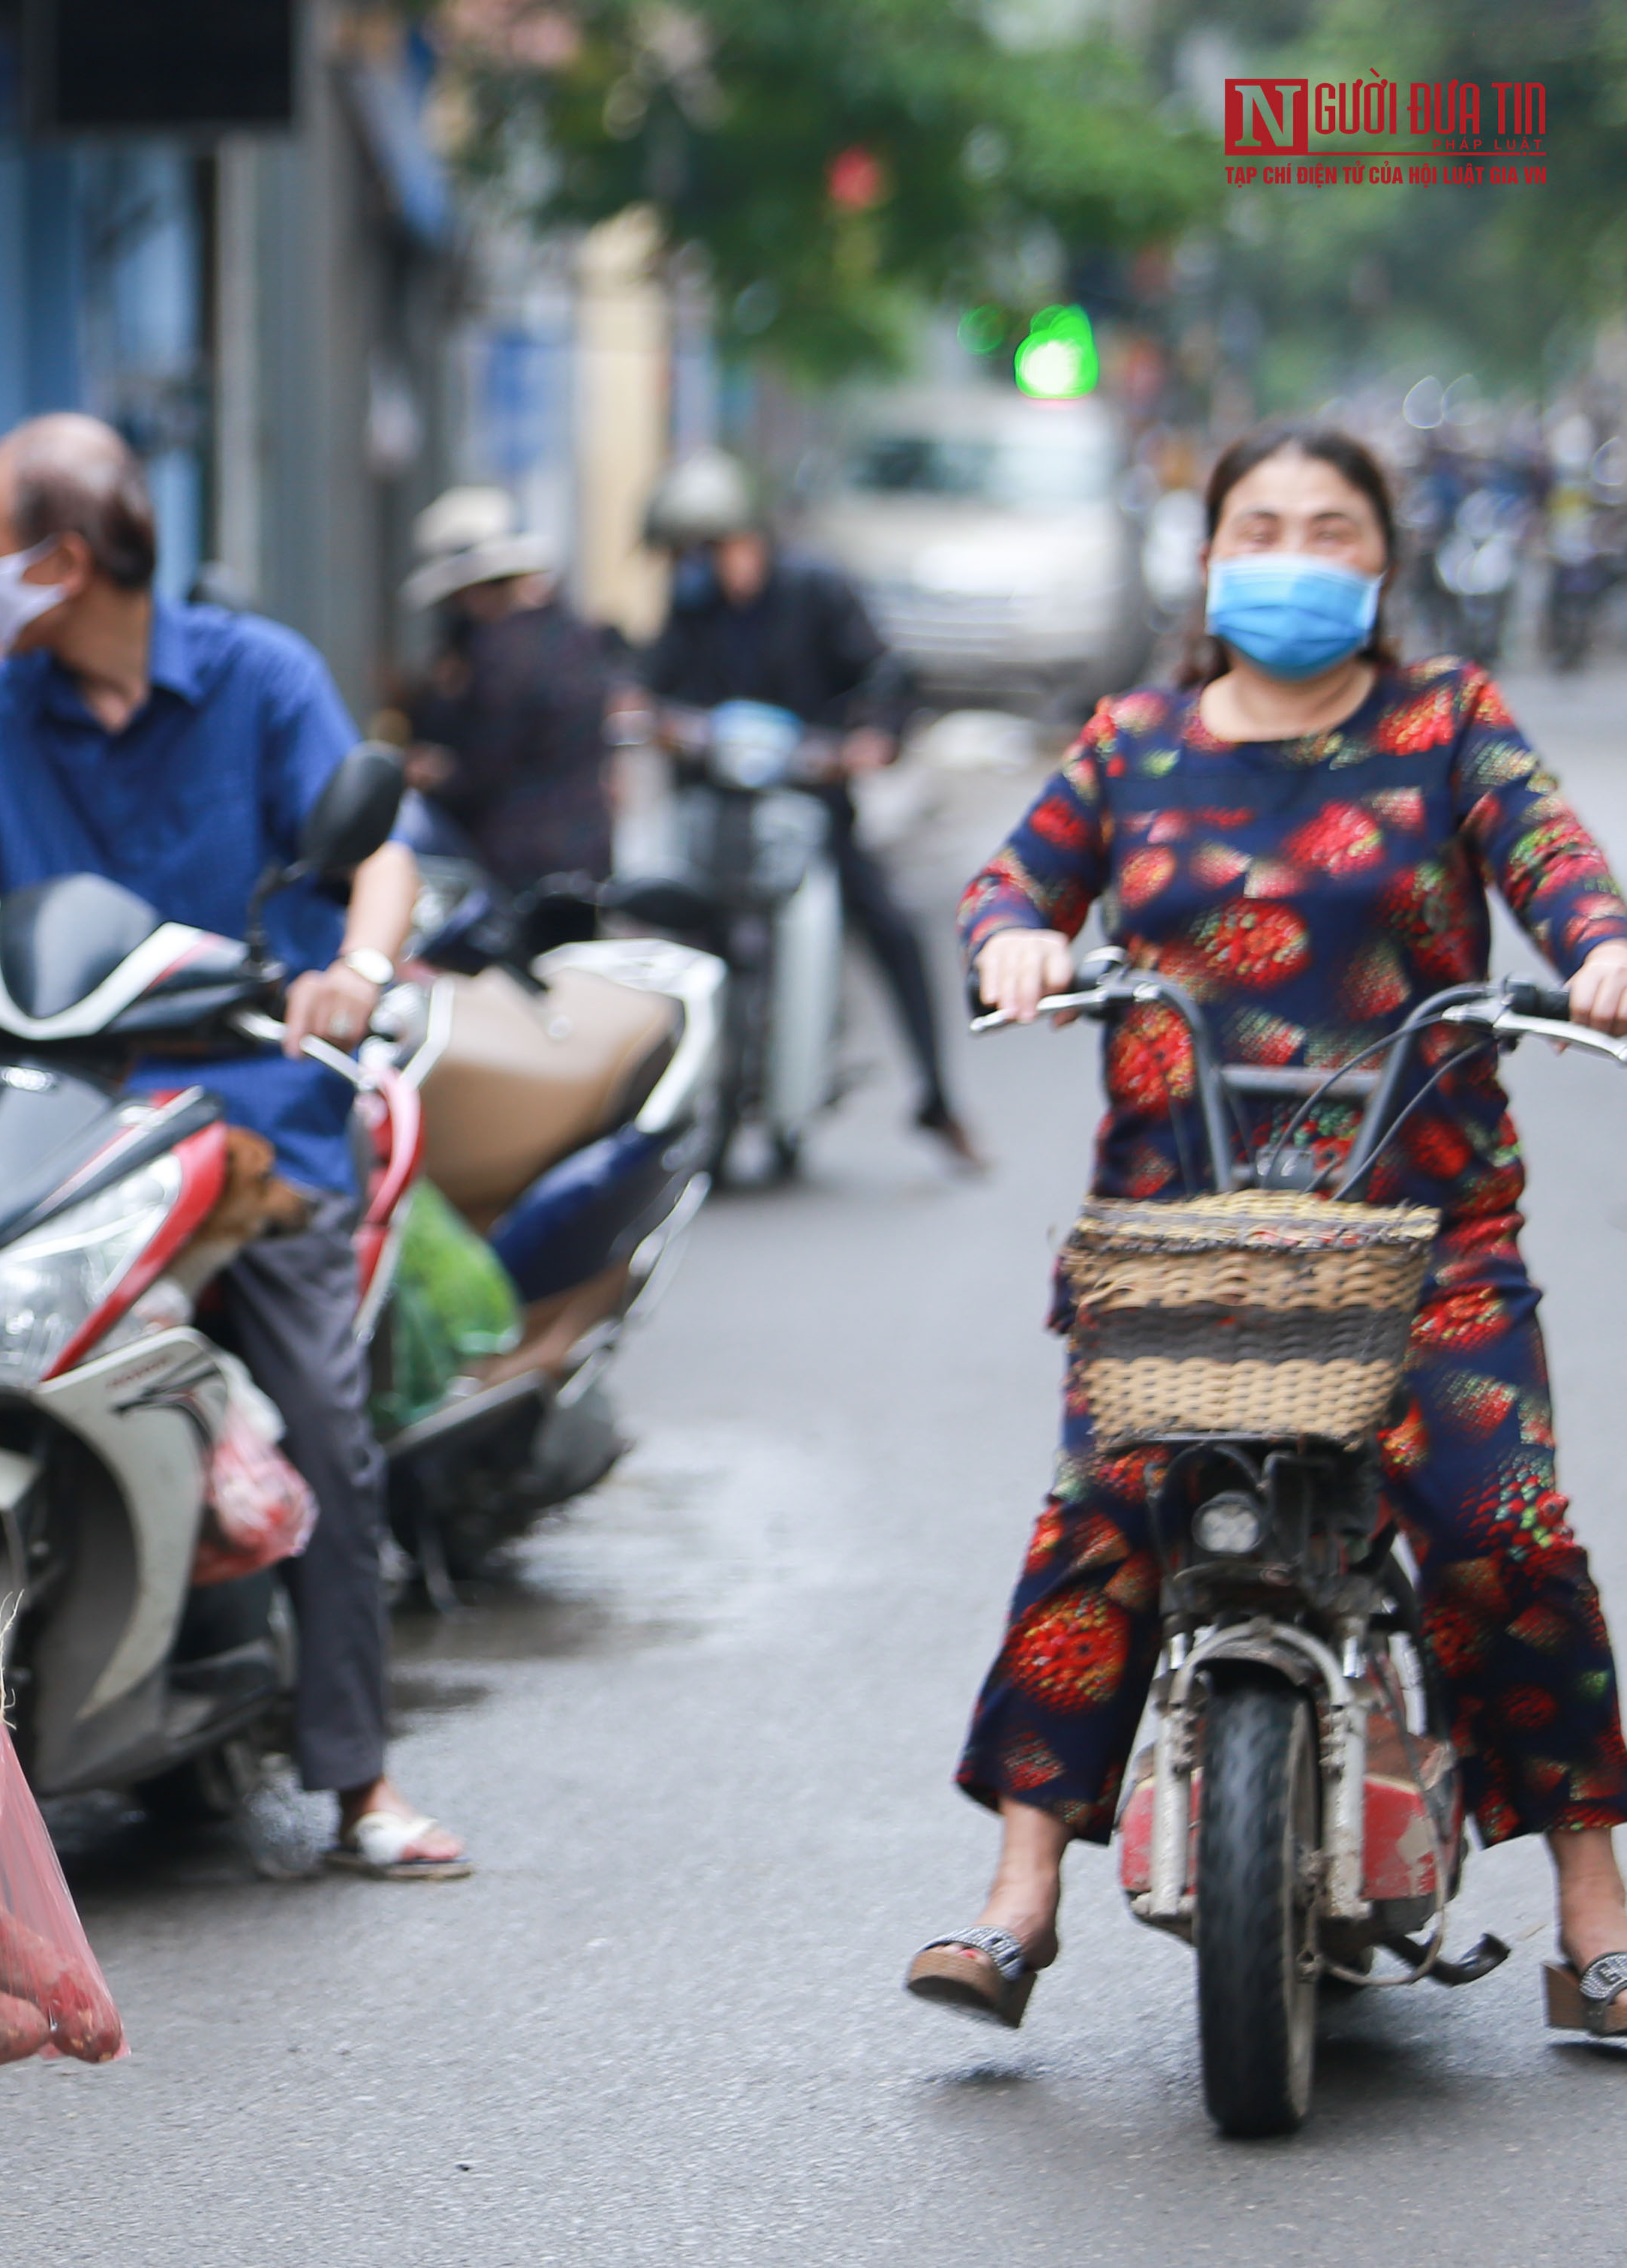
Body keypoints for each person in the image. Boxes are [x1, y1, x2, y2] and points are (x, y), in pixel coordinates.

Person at [907, 423, 1627, 2035]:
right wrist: (1018, 937)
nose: (1288, 551)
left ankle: (1595, 1917)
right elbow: (1003, 889)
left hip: (1420, 1233)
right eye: (1257, 523)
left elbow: (1558, 866)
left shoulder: (1449, 725)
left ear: (1375, 563)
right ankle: (1015, 1904)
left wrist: (1597, 948)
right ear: (1207, 550)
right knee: (1099, 1516)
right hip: (1182, 1242)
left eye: (1323, 526)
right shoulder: (1129, 740)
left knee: (1499, 1529)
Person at [0, 411, 471, 1882]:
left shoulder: (261, 675)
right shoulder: (6, 704)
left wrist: (360, 957)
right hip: (57, 1111)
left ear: (63, 559)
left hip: (250, 1103)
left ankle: (359, 1780)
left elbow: (375, 848)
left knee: (322, 1421)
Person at [639, 449, 984, 1168]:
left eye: (709, 550)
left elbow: (886, 674)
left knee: (888, 925)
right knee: (666, 927)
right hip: (718, 811)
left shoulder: (817, 590)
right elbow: (657, 688)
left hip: (812, 805)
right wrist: (660, 723)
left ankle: (936, 1096)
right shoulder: (691, 608)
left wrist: (872, 739)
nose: (699, 567)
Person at [398, 485, 617, 890]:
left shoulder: (496, 654)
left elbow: (487, 767)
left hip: (515, 861)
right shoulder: (577, 638)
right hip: (588, 848)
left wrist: (435, 773)